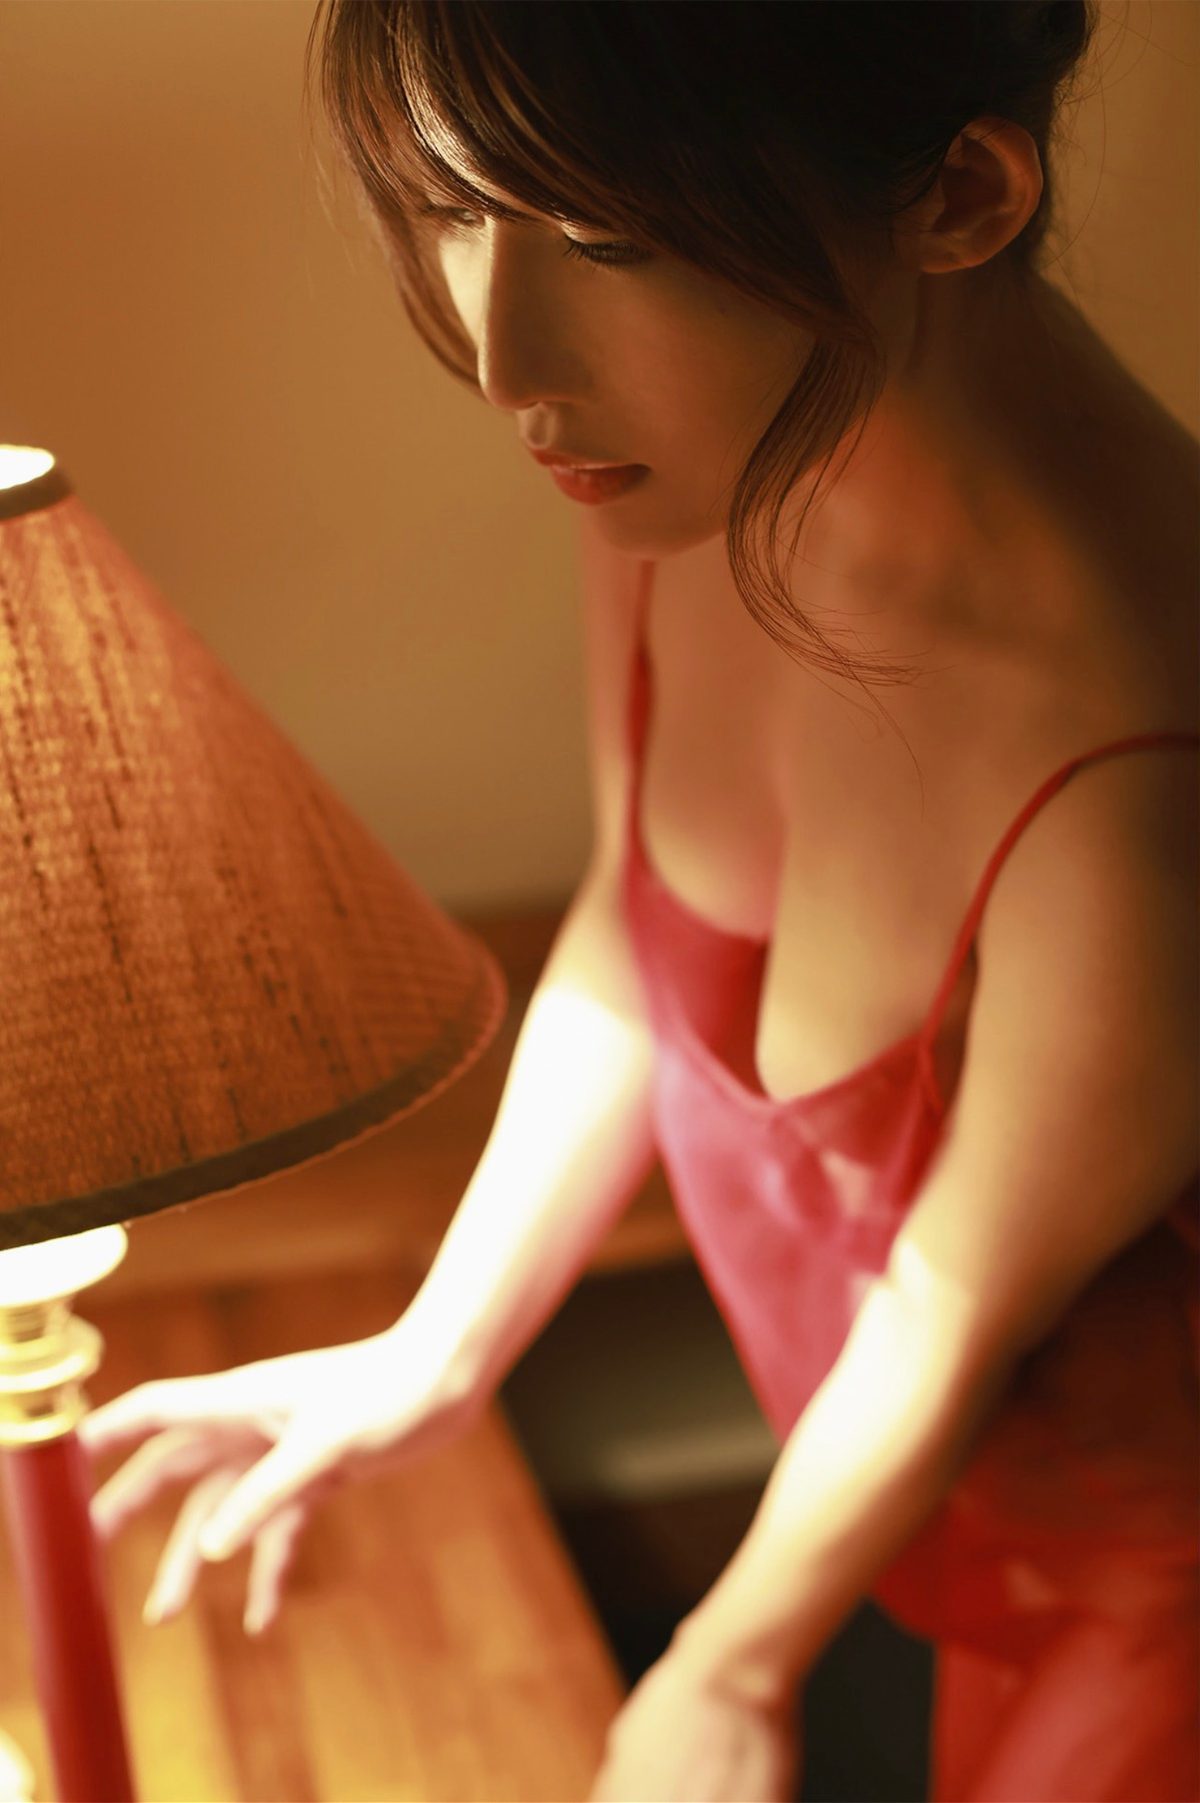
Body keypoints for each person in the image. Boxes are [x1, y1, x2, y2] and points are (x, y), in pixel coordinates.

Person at [77, 4, 1198, 1799]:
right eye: (459, 208)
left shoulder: (1143, 752)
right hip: (897, 1543)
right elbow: (635, 940)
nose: (504, 354)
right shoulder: (696, 472)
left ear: (960, 198)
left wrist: (727, 1669)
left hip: (1147, 1615)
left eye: (606, 239)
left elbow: (952, 1307)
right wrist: (437, 1348)